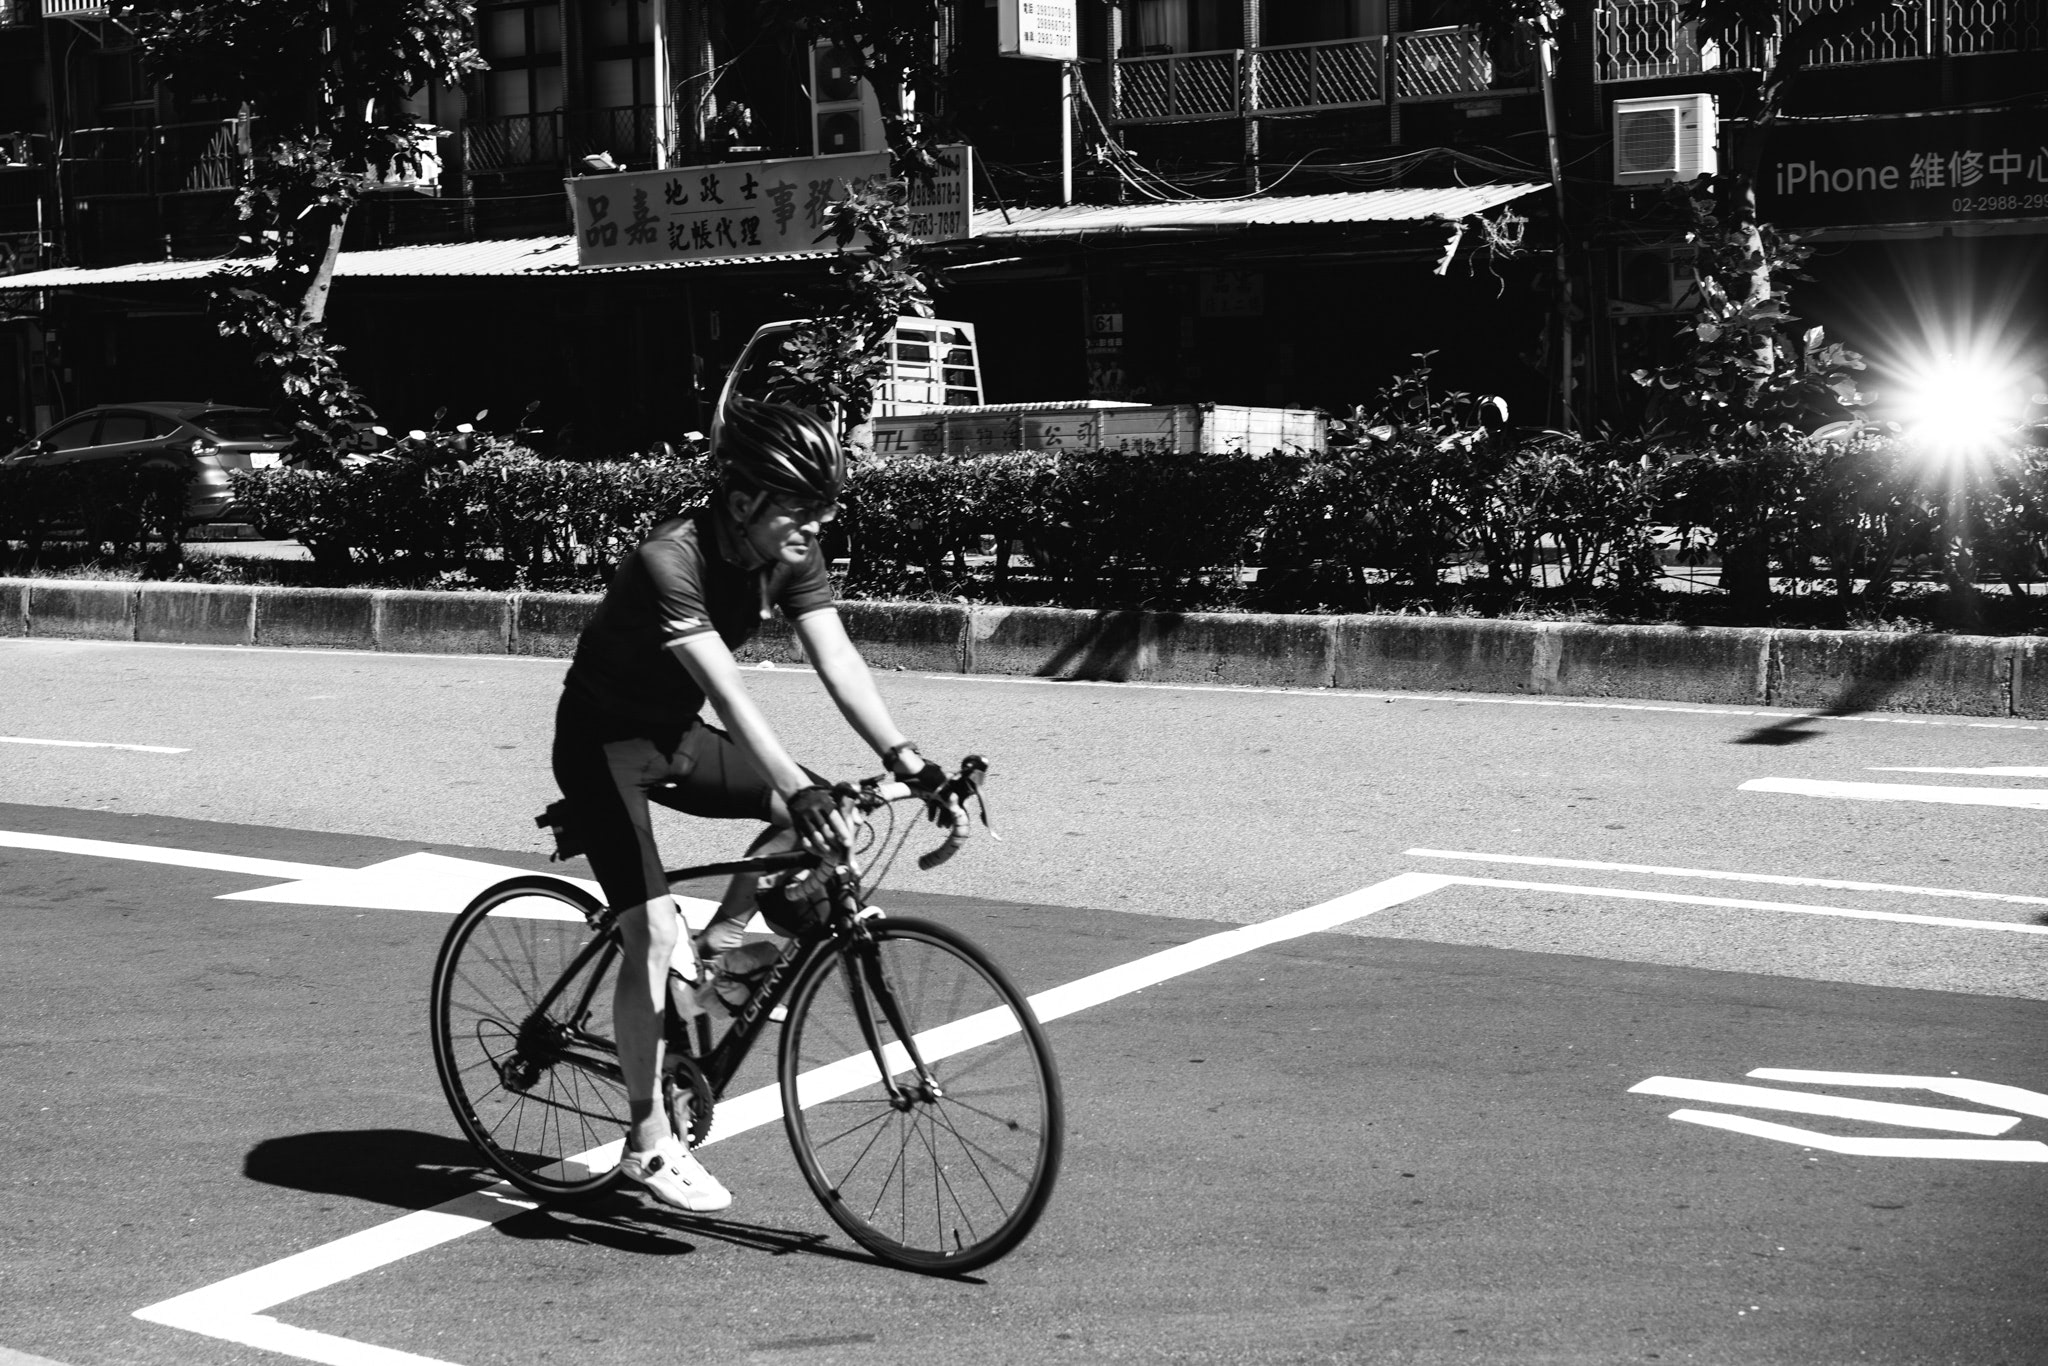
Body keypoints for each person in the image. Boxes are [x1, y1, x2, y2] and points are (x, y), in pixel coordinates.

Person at [549, 396, 940, 1213]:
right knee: (650, 932)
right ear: (741, 503)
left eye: (825, 508)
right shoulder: (671, 559)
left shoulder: (788, 551)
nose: (816, 525)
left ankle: (722, 956)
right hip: (601, 750)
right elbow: (730, 694)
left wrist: (908, 760)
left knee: (809, 821)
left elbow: (838, 659)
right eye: (801, 508)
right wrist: (800, 783)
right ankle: (647, 1143)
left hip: (672, 737)